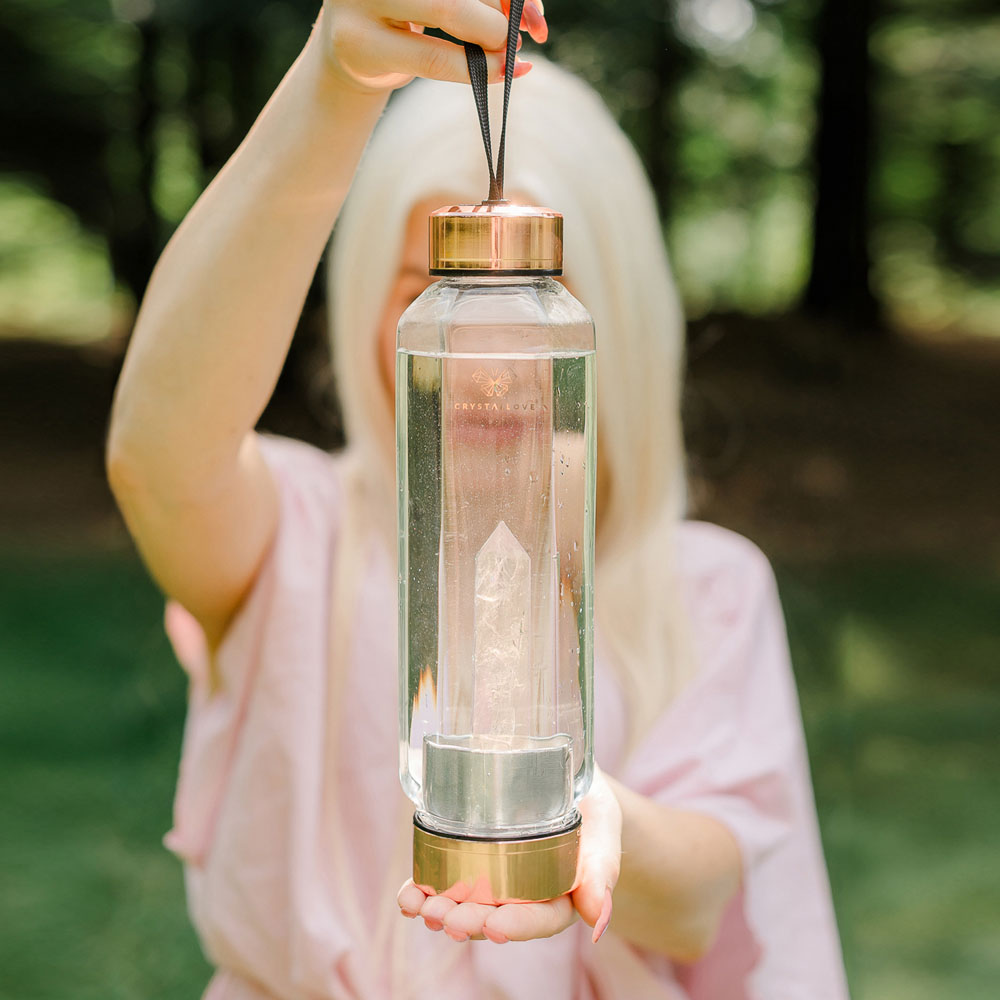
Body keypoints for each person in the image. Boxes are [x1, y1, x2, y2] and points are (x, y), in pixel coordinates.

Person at [106, 2, 850, 998]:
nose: (489, 362)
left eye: (535, 298)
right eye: (433, 287)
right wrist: (332, 87)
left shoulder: (704, 588)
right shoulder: (297, 536)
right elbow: (161, 458)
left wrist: (591, 822)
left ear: (607, 315)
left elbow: (700, 894)